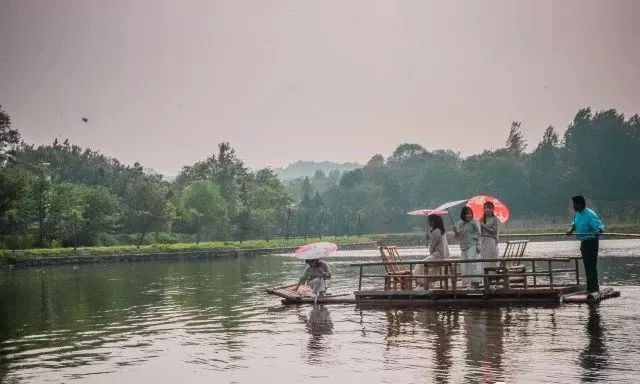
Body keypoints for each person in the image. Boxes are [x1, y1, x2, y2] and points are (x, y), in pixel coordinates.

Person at [566, 195, 604, 296]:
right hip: (584, 242)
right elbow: (574, 223)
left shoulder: (590, 214)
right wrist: (571, 229)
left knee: (591, 265)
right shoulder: (577, 214)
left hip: (591, 241)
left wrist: (598, 231)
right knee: (587, 265)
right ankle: (590, 287)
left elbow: (599, 225)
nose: (573, 206)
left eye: (574, 204)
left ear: (580, 204)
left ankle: (594, 288)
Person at [414, 214, 450, 289]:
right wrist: (430, 238)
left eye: (430, 221)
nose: (429, 223)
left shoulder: (436, 231)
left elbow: (432, 247)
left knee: (420, 265)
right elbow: (437, 242)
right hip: (442, 255)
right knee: (425, 267)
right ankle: (425, 284)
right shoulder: (440, 230)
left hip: (438, 256)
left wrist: (430, 248)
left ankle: (422, 284)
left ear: (434, 221)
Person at [453, 206, 482, 288]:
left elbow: (479, 233)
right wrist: (456, 232)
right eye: (467, 214)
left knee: (473, 263)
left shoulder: (474, 222)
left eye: (470, 213)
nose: (469, 215)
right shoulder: (460, 224)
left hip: (472, 245)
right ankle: (466, 282)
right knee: (464, 265)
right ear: (463, 215)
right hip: (463, 246)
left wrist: (478, 244)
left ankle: (475, 282)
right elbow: (458, 237)